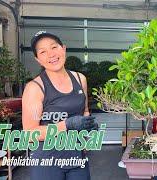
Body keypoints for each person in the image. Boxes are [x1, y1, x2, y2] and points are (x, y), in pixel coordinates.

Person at [22, 31, 97, 180]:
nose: (51, 54)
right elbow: (29, 134)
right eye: (43, 52)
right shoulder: (35, 88)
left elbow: (85, 111)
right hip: (47, 162)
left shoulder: (80, 79)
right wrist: (67, 125)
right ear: (38, 59)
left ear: (63, 49)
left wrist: (88, 130)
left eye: (54, 47)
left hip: (76, 157)